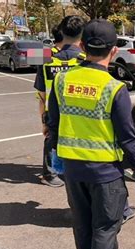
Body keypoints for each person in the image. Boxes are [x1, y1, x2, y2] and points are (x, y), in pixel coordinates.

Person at [47, 19, 135, 249]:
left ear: (82, 46)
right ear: (114, 50)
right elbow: (128, 136)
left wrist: (55, 153)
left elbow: (54, 122)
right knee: (105, 229)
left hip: (72, 170)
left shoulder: (62, 81)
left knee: (83, 228)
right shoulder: (113, 88)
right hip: (105, 175)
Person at [35, 15, 86, 187]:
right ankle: (75, 170)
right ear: (83, 34)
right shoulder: (84, 59)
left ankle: (50, 174)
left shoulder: (44, 57)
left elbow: (41, 93)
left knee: (51, 140)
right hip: (78, 108)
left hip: (52, 107)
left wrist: (43, 120)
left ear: (61, 32)